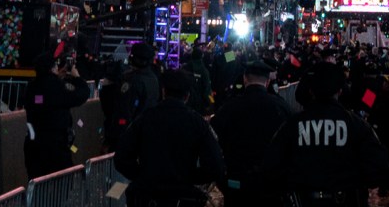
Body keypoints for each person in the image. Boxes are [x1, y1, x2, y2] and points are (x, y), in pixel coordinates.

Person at [266, 61, 389, 207]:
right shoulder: (355, 124)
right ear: (340, 90)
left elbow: (271, 168)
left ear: (310, 90)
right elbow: (378, 167)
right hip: (345, 199)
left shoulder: (292, 125)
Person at [119, 68, 227, 207]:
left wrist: (143, 176)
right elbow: (216, 165)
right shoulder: (197, 123)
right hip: (182, 197)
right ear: (187, 96)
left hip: (148, 195)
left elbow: (121, 157)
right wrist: (191, 177)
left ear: (163, 91)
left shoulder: (145, 118)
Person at [211, 57, 298, 207]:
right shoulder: (281, 107)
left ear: (245, 80)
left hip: (237, 183)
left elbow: (212, 142)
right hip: (271, 185)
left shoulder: (229, 107)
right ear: (267, 82)